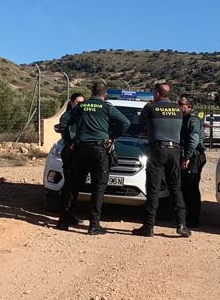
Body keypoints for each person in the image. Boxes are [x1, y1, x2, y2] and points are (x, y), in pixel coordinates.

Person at [59, 81, 131, 234]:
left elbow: (64, 121)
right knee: (98, 187)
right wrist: (112, 136)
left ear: (91, 92)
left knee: (73, 185)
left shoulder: (81, 107)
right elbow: (125, 122)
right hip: (99, 150)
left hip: (80, 149)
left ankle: (64, 221)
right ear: (105, 94)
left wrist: (69, 142)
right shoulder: (107, 107)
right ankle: (94, 225)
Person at [132, 82, 190, 238]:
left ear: (157, 93)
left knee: (153, 188)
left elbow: (140, 124)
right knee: (176, 187)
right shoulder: (179, 109)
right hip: (175, 150)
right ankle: (181, 225)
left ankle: (148, 226)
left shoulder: (151, 107)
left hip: (157, 149)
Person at [54, 91, 85, 225]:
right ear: (72, 102)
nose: (80, 105)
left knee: (76, 186)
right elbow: (63, 129)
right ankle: (64, 215)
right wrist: (70, 143)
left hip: (81, 152)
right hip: (71, 152)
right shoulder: (68, 116)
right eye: (78, 102)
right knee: (68, 185)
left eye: (83, 102)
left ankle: (71, 214)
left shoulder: (83, 115)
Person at [179, 95, 206, 228]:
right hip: (191, 156)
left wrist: (187, 157)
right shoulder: (185, 118)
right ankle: (186, 217)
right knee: (185, 187)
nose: (178, 106)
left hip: (194, 157)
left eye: (181, 103)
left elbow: (194, 140)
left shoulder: (193, 119)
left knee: (191, 188)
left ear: (188, 106)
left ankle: (193, 219)